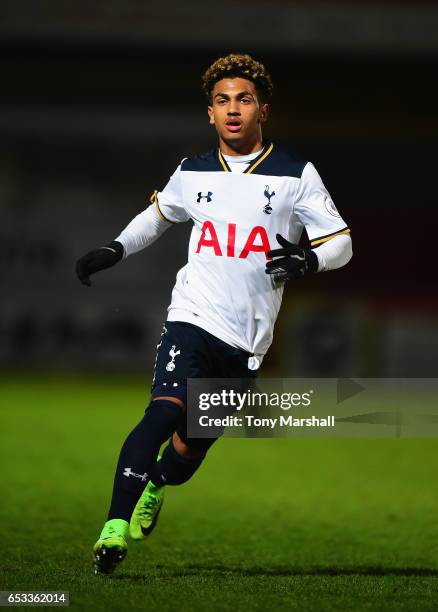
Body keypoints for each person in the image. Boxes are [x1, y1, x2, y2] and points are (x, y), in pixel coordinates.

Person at [76, 53, 352, 575]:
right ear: (210, 113)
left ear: (262, 109)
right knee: (161, 413)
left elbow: (342, 242)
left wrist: (309, 257)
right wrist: (115, 249)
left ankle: (156, 483)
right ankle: (113, 528)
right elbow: (157, 217)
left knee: (187, 452)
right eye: (222, 100)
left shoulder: (295, 175)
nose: (233, 110)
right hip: (192, 316)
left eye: (243, 100)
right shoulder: (192, 171)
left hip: (247, 343)